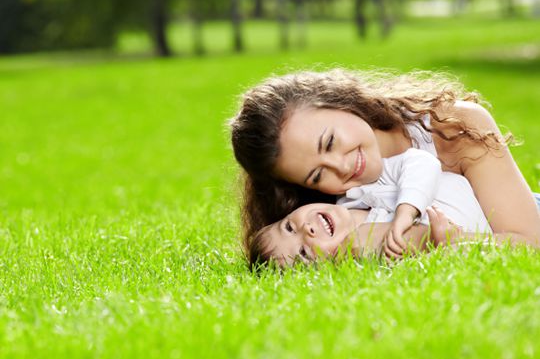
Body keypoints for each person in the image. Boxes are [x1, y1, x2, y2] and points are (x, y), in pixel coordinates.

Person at [230, 69, 540, 261]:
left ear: (337, 100)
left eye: (329, 142)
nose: (341, 166)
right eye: (317, 175)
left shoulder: (455, 126)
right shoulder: (343, 217)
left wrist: (447, 242)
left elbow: (530, 244)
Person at [248, 163, 492, 267]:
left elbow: (422, 162)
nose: (307, 231)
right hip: (485, 227)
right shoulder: (364, 252)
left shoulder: (357, 188)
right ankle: (448, 242)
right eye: (304, 252)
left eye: (290, 227)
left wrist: (406, 211)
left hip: (495, 195)